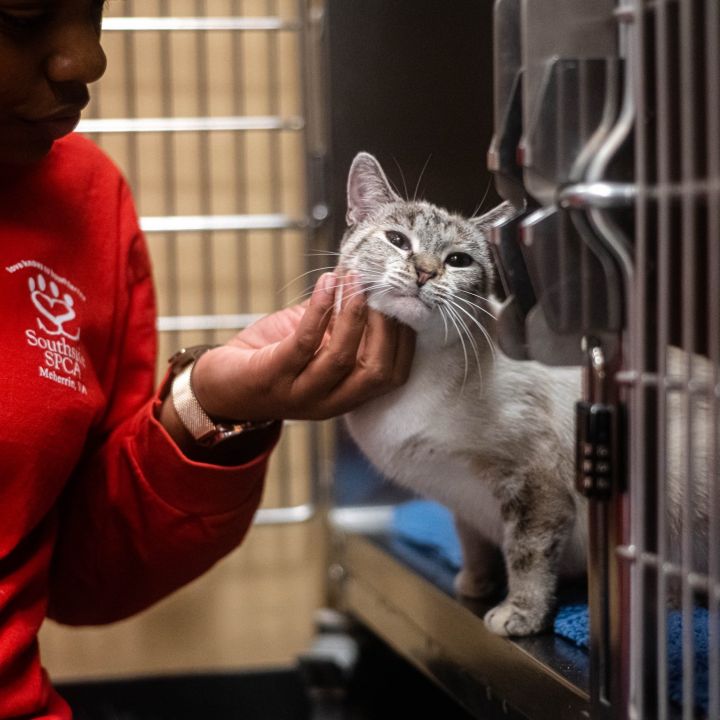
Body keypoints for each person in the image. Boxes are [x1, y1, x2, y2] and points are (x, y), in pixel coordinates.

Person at [0, 1, 415, 717]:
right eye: (21, 13)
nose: (87, 59)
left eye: (91, 8)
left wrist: (209, 407)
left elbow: (81, 576)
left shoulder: (85, 198)